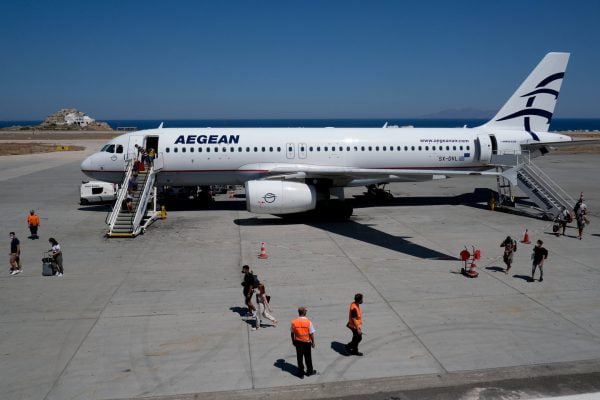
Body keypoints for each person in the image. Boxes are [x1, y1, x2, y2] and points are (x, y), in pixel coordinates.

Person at [290, 307, 316, 378]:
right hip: (306, 342)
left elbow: (292, 333)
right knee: (308, 358)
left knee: (299, 358)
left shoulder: (294, 322)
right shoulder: (308, 322)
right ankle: (309, 371)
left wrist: (293, 341)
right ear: (304, 312)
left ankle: (301, 373)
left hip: (298, 342)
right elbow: (311, 334)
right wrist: (313, 342)